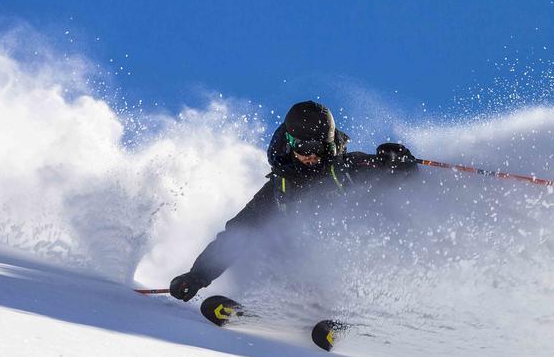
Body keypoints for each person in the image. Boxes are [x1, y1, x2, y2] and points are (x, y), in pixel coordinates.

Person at [169, 100, 416, 302]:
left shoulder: (349, 167)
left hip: (357, 262)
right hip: (307, 270)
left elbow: (408, 180)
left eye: (319, 146)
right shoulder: (280, 187)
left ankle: (353, 309)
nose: (311, 155)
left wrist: (399, 161)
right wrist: (197, 276)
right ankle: (280, 307)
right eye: (304, 146)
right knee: (269, 244)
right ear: (289, 143)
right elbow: (238, 234)